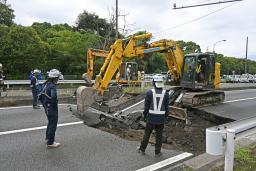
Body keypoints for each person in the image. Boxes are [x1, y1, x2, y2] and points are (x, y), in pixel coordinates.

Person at [137, 74, 169, 157]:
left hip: (151, 118)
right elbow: (166, 107)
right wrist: (166, 116)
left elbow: (146, 107)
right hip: (161, 118)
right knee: (159, 136)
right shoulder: (166, 93)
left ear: (154, 83)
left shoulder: (149, 92)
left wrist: (144, 115)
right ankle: (157, 152)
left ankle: (142, 149)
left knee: (147, 134)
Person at [42, 69, 63, 148]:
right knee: (53, 124)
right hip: (52, 107)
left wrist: (45, 105)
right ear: (55, 78)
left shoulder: (45, 84)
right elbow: (53, 97)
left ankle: (48, 138)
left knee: (50, 122)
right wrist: (54, 104)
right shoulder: (52, 86)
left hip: (46, 106)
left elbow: (41, 96)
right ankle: (50, 142)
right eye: (57, 78)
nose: (58, 79)